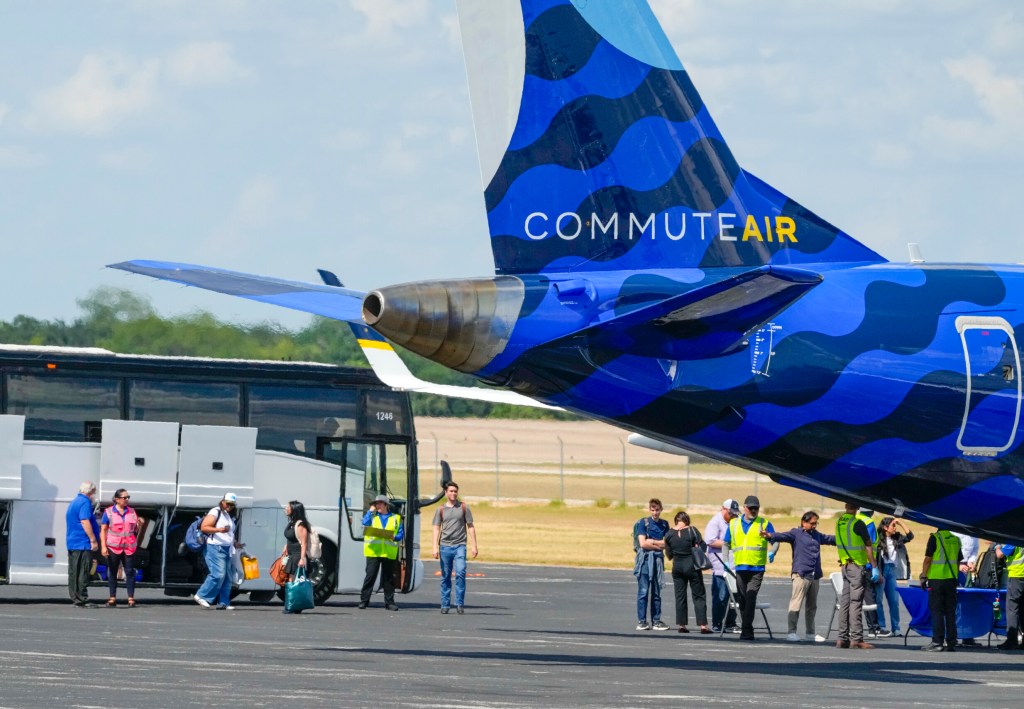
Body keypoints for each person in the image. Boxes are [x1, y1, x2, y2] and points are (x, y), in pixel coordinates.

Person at [763, 510, 835, 642]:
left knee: (812, 606)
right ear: (804, 522)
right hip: (800, 575)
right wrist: (769, 535)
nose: (814, 526)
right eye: (812, 523)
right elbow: (781, 536)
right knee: (796, 604)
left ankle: (810, 633)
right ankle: (791, 632)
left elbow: (829, 539)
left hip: (815, 576)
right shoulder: (796, 533)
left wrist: (843, 539)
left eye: (816, 523)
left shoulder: (816, 535)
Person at [722, 495, 777, 641]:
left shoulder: (764, 523)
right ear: (744, 508)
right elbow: (726, 543)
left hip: (757, 568)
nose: (754, 511)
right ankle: (748, 628)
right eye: (751, 508)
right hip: (740, 567)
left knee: (751, 596)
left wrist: (773, 551)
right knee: (743, 599)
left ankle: (746, 630)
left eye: (756, 508)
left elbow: (775, 540)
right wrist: (726, 561)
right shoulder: (733, 524)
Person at [834, 502, 878, 649]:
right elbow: (868, 546)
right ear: (857, 508)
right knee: (856, 603)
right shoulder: (857, 523)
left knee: (845, 603)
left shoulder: (839, 522)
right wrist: (874, 566)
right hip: (856, 566)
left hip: (844, 565)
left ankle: (842, 638)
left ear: (846, 506)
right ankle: (857, 638)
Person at [431, 481, 478, 615]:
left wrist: (474, 545)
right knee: (446, 576)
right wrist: (434, 547)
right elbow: (436, 528)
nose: (453, 493)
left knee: (461, 572)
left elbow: (470, 526)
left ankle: (459, 604)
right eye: (451, 491)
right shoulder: (440, 509)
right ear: (446, 493)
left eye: (455, 491)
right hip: (445, 546)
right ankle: (445, 604)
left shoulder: (463, 508)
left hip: (460, 546)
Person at [663, 511, 710, 634]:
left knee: (680, 596)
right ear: (687, 520)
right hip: (692, 565)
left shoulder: (669, 534)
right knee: (699, 595)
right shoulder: (692, 530)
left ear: (676, 520)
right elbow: (703, 546)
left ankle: (682, 625)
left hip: (677, 566)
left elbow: (669, 554)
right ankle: (703, 625)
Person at [193, 492, 240, 610]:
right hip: (215, 547)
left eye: (232, 504)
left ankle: (224, 602)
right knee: (218, 574)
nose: (229, 506)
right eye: (228, 503)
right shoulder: (215, 511)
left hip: (227, 548)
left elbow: (229, 532)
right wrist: (219, 530)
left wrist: (235, 543)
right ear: (223, 501)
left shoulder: (228, 515)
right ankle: (201, 595)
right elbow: (204, 527)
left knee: (228, 577)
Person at [919, 527, 963, 652]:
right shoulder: (956, 540)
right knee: (950, 612)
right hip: (951, 580)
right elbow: (958, 561)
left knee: (937, 611)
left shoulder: (935, 537)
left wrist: (923, 575)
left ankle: (937, 641)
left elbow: (928, 559)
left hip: (937, 579)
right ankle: (952, 641)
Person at [359, 494, 404, 611]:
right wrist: (370, 511)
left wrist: (395, 537)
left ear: (386, 505)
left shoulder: (396, 518)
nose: (377, 506)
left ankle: (389, 602)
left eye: (379, 503)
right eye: (376, 504)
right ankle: (364, 600)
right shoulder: (372, 517)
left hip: (388, 552)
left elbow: (400, 533)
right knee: (370, 576)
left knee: (388, 578)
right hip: (373, 552)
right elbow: (364, 523)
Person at [633, 498, 670, 631]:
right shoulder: (643, 523)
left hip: (658, 561)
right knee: (643, 591)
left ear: (661, 509)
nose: (655, 513)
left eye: (657, 510)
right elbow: (643, 543)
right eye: (653, 510)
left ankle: (656, 620)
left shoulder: (665, 524)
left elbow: (667, 544)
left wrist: (652, 541)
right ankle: (642, 621)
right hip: (644, 561)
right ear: (650, 510)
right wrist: (658, 544)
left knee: (656, 592)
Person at [100, 488, 141, 608]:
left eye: (128, 497)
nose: (127, 500)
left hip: (129, 547)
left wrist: (140, 525)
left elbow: (134, 530)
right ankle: (112, 597)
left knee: (129, 572)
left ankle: (131, 598)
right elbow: (103, 530)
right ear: (117, 499)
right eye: (124, 498)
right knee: (112, 571)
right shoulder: (108, 512)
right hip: (114, 546)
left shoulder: (132, 512)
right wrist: (103, 546)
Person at [704, 498, 740, 633]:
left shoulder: (735, 522)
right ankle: (717, 623)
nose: (733, 516)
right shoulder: (715, 522)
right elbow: (710, 540)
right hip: (720, 566)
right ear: (723, 509)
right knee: (721, 595)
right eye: (731, 513)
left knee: (734, 596)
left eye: (735, 514)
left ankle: (731, 623)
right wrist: (729, 544)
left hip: (734, 565)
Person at [875, 516, 913, 636]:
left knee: (894, 600)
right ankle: (881, 626)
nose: (895, 528)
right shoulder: (878, 539)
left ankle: (896, 628)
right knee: (878, 599)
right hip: (882, 569)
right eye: (893, 525)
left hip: (892, 570)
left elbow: (910, 536)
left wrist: (900, 522)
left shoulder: (897, 538)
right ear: (885, 527)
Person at [65, 481, 99, 608]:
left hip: (73, 542)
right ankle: (82, 598)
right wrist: (93, 539)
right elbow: (85, 521)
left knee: (74, 571)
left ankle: (75, 597)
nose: (94, 496)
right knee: (83, 571)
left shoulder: (74, 501)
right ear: (90, 492)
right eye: (94, 493)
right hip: (82, 542)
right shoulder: (85, 502)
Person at [280, 500, 310, 614]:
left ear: (294, 509)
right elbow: (291, 537)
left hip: (297, 556)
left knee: (293, 581)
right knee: (292, 581)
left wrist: (302, 558)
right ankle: (293, 605)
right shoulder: (292, 522)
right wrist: (286, 546)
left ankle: (292, 606)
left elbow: (304, 543)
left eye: (288, 507)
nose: (286, 508)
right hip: (291, 554)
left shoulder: (300, 524)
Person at [994, 543, 1024, 650]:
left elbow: (1000, 554)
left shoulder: (1014, 539)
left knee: (1012, 608)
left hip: (1017, 575)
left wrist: (997, 546)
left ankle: (1012, 640)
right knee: (1022, 608)